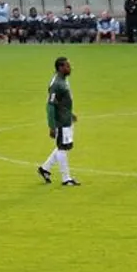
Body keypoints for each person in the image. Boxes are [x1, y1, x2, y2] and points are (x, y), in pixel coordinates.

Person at [37, 57, 80, 186]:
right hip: (61, 121)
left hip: (66, 118)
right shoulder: (57, 84)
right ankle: (66, 179)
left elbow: (60, 102)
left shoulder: (63, 80)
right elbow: (50, 105)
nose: (70, 68)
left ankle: (45, 169)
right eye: (67, 66)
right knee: (62, 148)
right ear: (60, 68)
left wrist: (70, 114)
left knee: (65, 146)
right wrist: (51, 125)